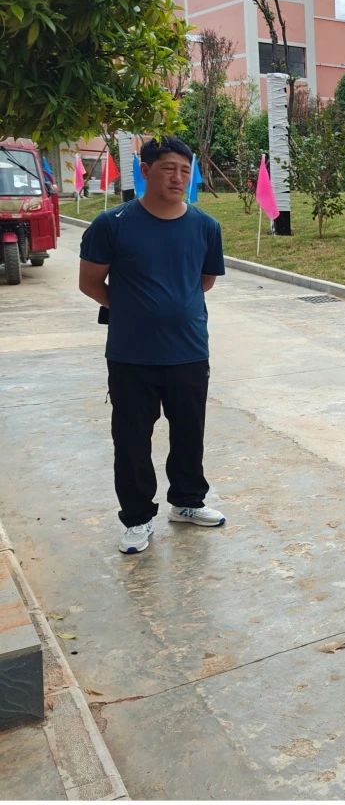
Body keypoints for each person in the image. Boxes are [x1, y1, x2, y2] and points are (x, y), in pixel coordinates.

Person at [78, 136, 227, 554]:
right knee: (131, 440)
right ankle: (137, 518)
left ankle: (187, 502)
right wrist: (132, 307)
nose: (178, 178)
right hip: (131, 355)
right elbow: (90, 282)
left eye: (185, 170)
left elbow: (204, 281)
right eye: (168, 169)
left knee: (189, 433)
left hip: (189, 351)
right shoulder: (113, 223)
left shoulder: (205, 226)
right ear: (145, 171)